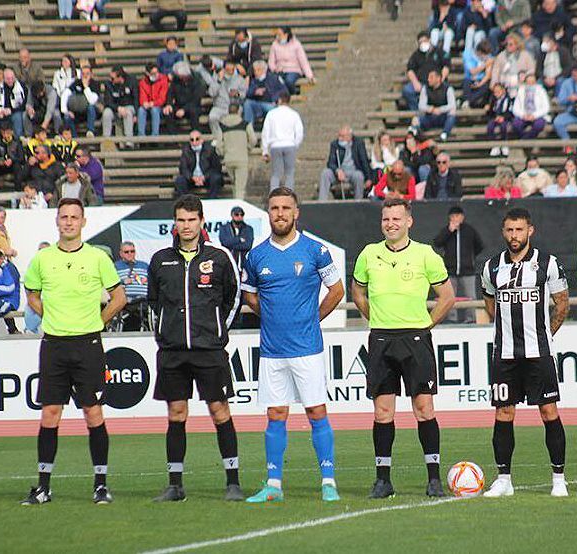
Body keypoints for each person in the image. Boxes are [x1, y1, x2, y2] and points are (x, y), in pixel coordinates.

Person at [20, 198, 127, 505]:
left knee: (93, 413)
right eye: (63, 217)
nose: (68, 222)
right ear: (57, 221)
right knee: (50, 414)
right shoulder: (43, 259)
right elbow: (32, 294)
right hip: (54, 345)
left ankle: (101, 484)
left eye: (74, 217)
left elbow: (119, 297)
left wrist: (98, 321)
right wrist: (50, 316)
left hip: (88, 344)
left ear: (83, 222)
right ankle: (43, 487)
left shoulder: (97, 258)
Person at [241, 188, 344, 503]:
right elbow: (249, 296)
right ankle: (274, 485)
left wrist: (311, 319)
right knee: (275, 414)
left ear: (296, 212)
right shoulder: (256, 255)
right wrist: (272, 317)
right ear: (268, 212)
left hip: (307, 348)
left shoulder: (316, 250)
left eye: (286, 208)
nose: (280, 213)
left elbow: (337, 291)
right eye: (274, 208)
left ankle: (328, 482)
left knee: (316, 411)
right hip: (273, 350)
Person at [351, 197, 456, 499]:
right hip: (381, 339)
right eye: (386, 219)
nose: (390, 224)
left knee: (424, 409)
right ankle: (383, 480)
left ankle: (434, 479)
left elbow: (447, 296)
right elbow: (358, 291)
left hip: (415, 340)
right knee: (383, 412)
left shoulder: (426, 254)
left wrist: (425, 326)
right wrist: (375, 318)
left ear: (409, 221)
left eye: (396, 219)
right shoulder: (369, 254)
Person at [148, 194, 242, 503]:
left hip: (209, 349)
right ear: (174, 224)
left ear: (201, 221)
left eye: (191, 219)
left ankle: (233, 482)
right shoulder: (161, 259)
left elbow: (234, 297)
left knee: (219, 410)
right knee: (176, 413)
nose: (186, 225)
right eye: (181, 220)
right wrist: (163, 333)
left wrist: (217, 331)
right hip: (173, 351)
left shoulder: (219, 257)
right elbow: (153, 303)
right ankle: (175, 484)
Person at [479, 208, 569, 498]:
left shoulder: (548, 263)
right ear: (503, 232)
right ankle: (504, 479)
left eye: (519, 230)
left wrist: (544, 335)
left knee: (548, 411)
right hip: (504, 355)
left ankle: (559, 479)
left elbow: (562, 305)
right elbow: (490, 306)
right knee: (503, 413)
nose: (514, 235)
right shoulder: (492, 266)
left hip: (538, 354)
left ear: (530, 230)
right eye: (509, 230)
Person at [433, 206, 483, 324]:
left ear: (462, 217)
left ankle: (470, 319)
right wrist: (449, 231)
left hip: (467, 271)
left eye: (458, 216)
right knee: (450, 296)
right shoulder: (446, 231)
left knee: (471, 297)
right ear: (449, 218)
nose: (456, 218)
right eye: (453, 216)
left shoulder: (469, 230)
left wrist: (470, 259)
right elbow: (437, 242)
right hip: (450, 271)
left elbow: (479, 245)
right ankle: (451, 318)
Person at [261, 92, 303, 191]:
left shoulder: (271, 114)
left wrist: (265, 150)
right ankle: (289, 196)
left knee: (276, 174)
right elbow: (299, 132)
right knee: (289, 174)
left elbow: (265, 132)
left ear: (279, 100)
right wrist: (295, 145)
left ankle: (273, 196)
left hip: (275, 145)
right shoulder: (294, 114)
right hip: (289, 144)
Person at [318, 125, 373, 201]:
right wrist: (337, 170)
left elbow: (364, 160)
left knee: (359, 176)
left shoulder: (358, 143)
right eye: (339, 136)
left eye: (342, 136)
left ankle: (358, 202)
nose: (340, 138)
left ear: (349, 136)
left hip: (353, 171)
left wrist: (369, 178)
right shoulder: (335, 144)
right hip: (339, 172)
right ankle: (322, 201)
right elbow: (330, 162)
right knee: (325, 173)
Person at [403, 32, 448, 111]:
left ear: (429, 40)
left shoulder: (439, 52)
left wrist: (440, 80)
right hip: (421, 83)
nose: (422, 44)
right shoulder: (416, 55)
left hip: (436, 82)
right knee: (407, 90)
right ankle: (418, 112)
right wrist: (415, 82)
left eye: (424, 41)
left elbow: (446, 67)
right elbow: (410, 70)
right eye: (420, 42)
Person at [175, 130, 223, 198]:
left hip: (207, 178)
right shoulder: (186, 150)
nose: (194, 142)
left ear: (202, 140)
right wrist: (192, 177)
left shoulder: (210, 149)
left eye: (197, 139)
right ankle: (186, 202)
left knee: (216, 178)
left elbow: (216, 167)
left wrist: (204, 177)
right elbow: (183, 168)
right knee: (180, 180)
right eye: (192, 140)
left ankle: (212, 201)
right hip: (192, 179)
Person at [113, 241, 149, 331]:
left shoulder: (144, 265)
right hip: (125, 298)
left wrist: (148, 280)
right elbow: (110, 283)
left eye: (132, 251)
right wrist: (122, 281)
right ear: (121, 253)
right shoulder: (115, 266)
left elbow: (154, 279)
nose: (130, 254)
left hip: (144, 298)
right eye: (126, 252)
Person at [268, 26, 315, 95]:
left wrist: (310, 76)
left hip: (293, 70)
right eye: (277, 34)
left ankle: (292, 95)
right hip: (280, 70)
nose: (278, 36)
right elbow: (271, 61)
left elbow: (303, 61)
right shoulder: (274, 45)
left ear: (286, 34)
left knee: (289, 81)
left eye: (280, 34)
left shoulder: (296, 44)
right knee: (276, 81)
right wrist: (274, 69)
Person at [412, 70, 457, 142]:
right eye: (428, 77)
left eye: (431, 77)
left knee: (452, 113)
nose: (428, 79)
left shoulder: (448, 88)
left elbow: (452, 105)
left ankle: (444, 134)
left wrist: (440, 110)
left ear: (438, 78)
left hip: (443, 117)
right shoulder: (425, 88)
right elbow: (421, 105)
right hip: (430, 117)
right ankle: (415, 136)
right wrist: (432, 109)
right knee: (415, 119)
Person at [207, 62, 246, 140]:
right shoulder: (216, 78)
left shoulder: (240, 79)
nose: (230, 71)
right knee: (212, 117)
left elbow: (244, 94)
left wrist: (237, 94)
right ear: (224, 69)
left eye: (232, 70)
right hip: (219, 107)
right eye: (228, 70)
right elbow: (211, 93)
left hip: (234, 107)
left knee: (237, 118)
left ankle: (235, 138)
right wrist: (219, 80)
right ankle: (219, 138)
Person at [163, 61, 205, 133]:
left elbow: (196, 100)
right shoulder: (176, 79)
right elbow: (170, 93)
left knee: (193, 112)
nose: (180, 78)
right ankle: (173, 138)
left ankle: (195, 135)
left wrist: (184, 110)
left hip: (192, 106)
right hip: (179, 105)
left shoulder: (197, 80)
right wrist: (168, 104)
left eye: (181, 76)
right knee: (168, 112)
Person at [242, 60, 288, 125]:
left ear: (264, 70)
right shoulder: (253, 80)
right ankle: (248, 127)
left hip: (270, 103)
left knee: (270, 108)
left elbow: (284, 90)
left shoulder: (274, 78)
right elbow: (247, 93)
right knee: (247, 103)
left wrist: (275, 99)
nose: (255, 72)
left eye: (258, 70)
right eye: (254, 70)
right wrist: (255, 92)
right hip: (257, 103)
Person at [102, 66, 138, 141]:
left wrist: (136, 114)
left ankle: (129, 141)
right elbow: (108, 101)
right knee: (106, 113)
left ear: (120, 77)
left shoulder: (131, 81)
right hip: (115, 108)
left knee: (127, 113)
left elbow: (135, 98)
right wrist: (118, 108)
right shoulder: (109, 84)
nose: (111, 80)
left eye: (113, 78)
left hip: (128, 106)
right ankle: (106, 140)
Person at [219, 112, 251, 198]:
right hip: (242, 158)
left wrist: (223, 152)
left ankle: (234, 202)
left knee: (234, 184)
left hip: (228, 159)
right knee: (240, 187)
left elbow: (219, 144)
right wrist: (248, 148)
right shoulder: (245, 124)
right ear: (239, 110)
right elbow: (253, 139)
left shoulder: (222, 125)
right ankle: (239, 207)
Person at [510, 73, 548, 140]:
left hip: (537, 115)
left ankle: (525, 139)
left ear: (535, 82)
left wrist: (534, 115)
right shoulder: (520, 91)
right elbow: (515, 108)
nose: (530, 84)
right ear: (525, 82)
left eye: (532, 82)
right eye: (528, 82)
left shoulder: (541, 91)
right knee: (516, 124)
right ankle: (526, 139)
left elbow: (546, 107)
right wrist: (523, 115)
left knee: (539, 125)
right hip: (524, 115)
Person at [138, 63, 169, 136]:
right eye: (153, 73)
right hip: (148, 106)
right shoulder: (143, 83)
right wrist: (144, 103)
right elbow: (142, 97)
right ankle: (141, 135)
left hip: (159, 107)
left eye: (157, 72)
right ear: (147, 73)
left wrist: (153, 103)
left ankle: (155, 135)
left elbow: (162, 98)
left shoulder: (163, 80)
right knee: (141, 110)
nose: (156, 75)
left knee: (154, 110)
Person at [0, 124, 26, 191]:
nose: (5, 135)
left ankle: (17, 189)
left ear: (12, 132)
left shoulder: (17, 141)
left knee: (17, 166)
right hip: (1, 166)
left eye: (7, 133)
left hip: (13, 165)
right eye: (3, 133)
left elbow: (21, 157)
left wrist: (12, 160)